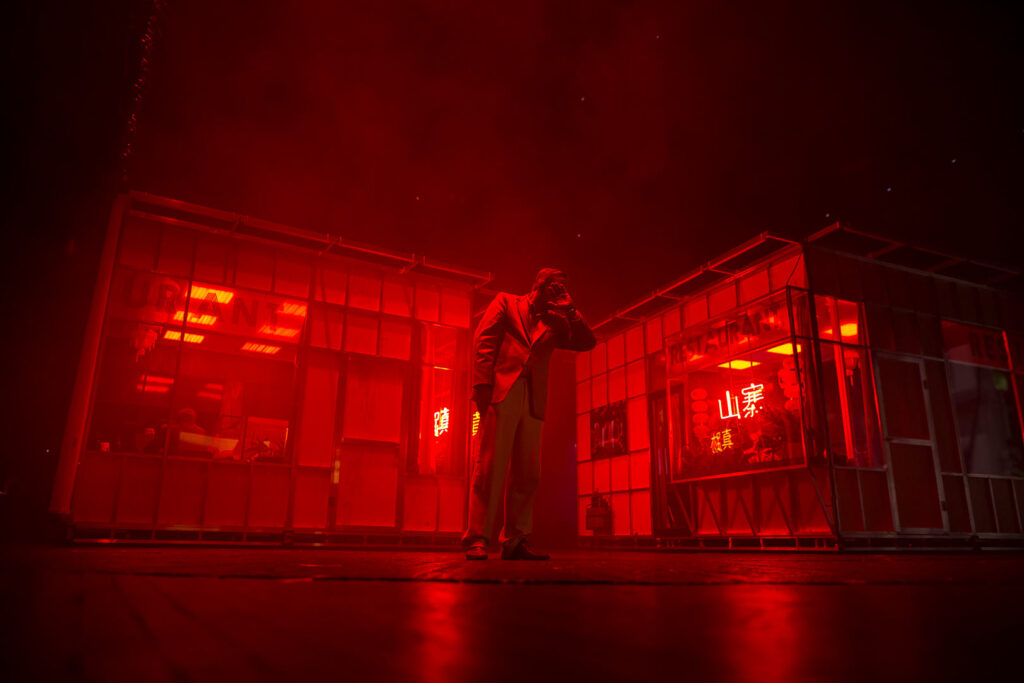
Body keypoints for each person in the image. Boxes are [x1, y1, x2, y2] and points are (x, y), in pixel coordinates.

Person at [463, 268, 596, 560]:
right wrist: (482, 385)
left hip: (534, 396)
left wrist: (571, 310)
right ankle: (477, 538)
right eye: (555, 286)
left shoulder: (555, 320)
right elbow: (484, 340)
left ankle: (515, 539)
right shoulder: (506, 302)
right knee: (490, 467)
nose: (558, 291)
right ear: (539, 285)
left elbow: (586, 342)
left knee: (528, 471)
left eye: (562, 286)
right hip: (502, 390)